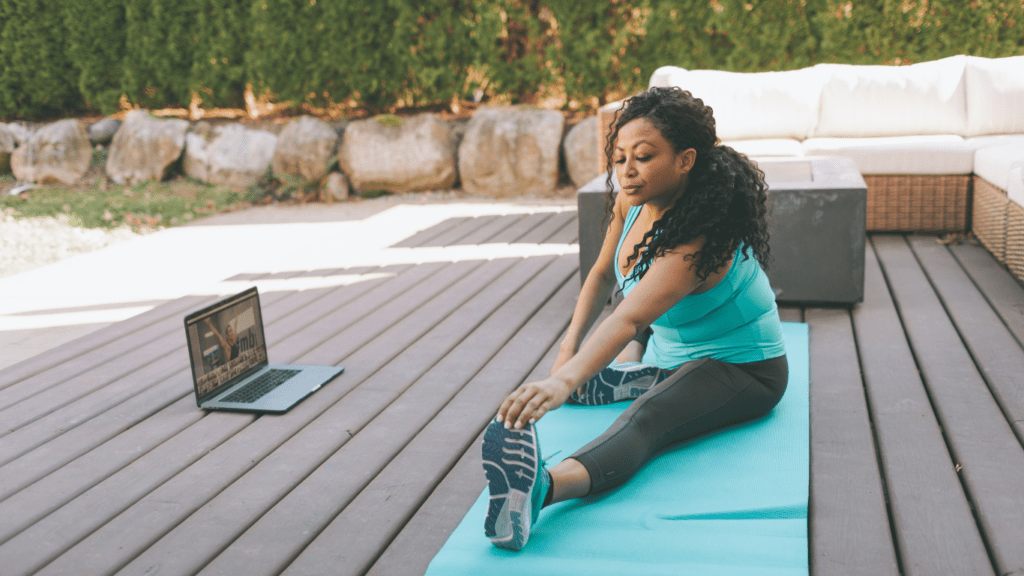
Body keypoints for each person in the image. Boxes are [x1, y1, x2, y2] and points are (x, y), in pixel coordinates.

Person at [481, 87, 789, 551]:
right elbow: (603, 273)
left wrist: (563, 383)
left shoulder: (700, 239)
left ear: (685, 160)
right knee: (634, 362)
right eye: (620, 155)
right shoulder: (633, 201)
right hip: (676, 347)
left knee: (647, 419)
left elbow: (627, 319)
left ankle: (542, 488)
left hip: (742, 367)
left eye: (643, 156)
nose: (626, 169)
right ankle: (648, 372)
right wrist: (567, 353)